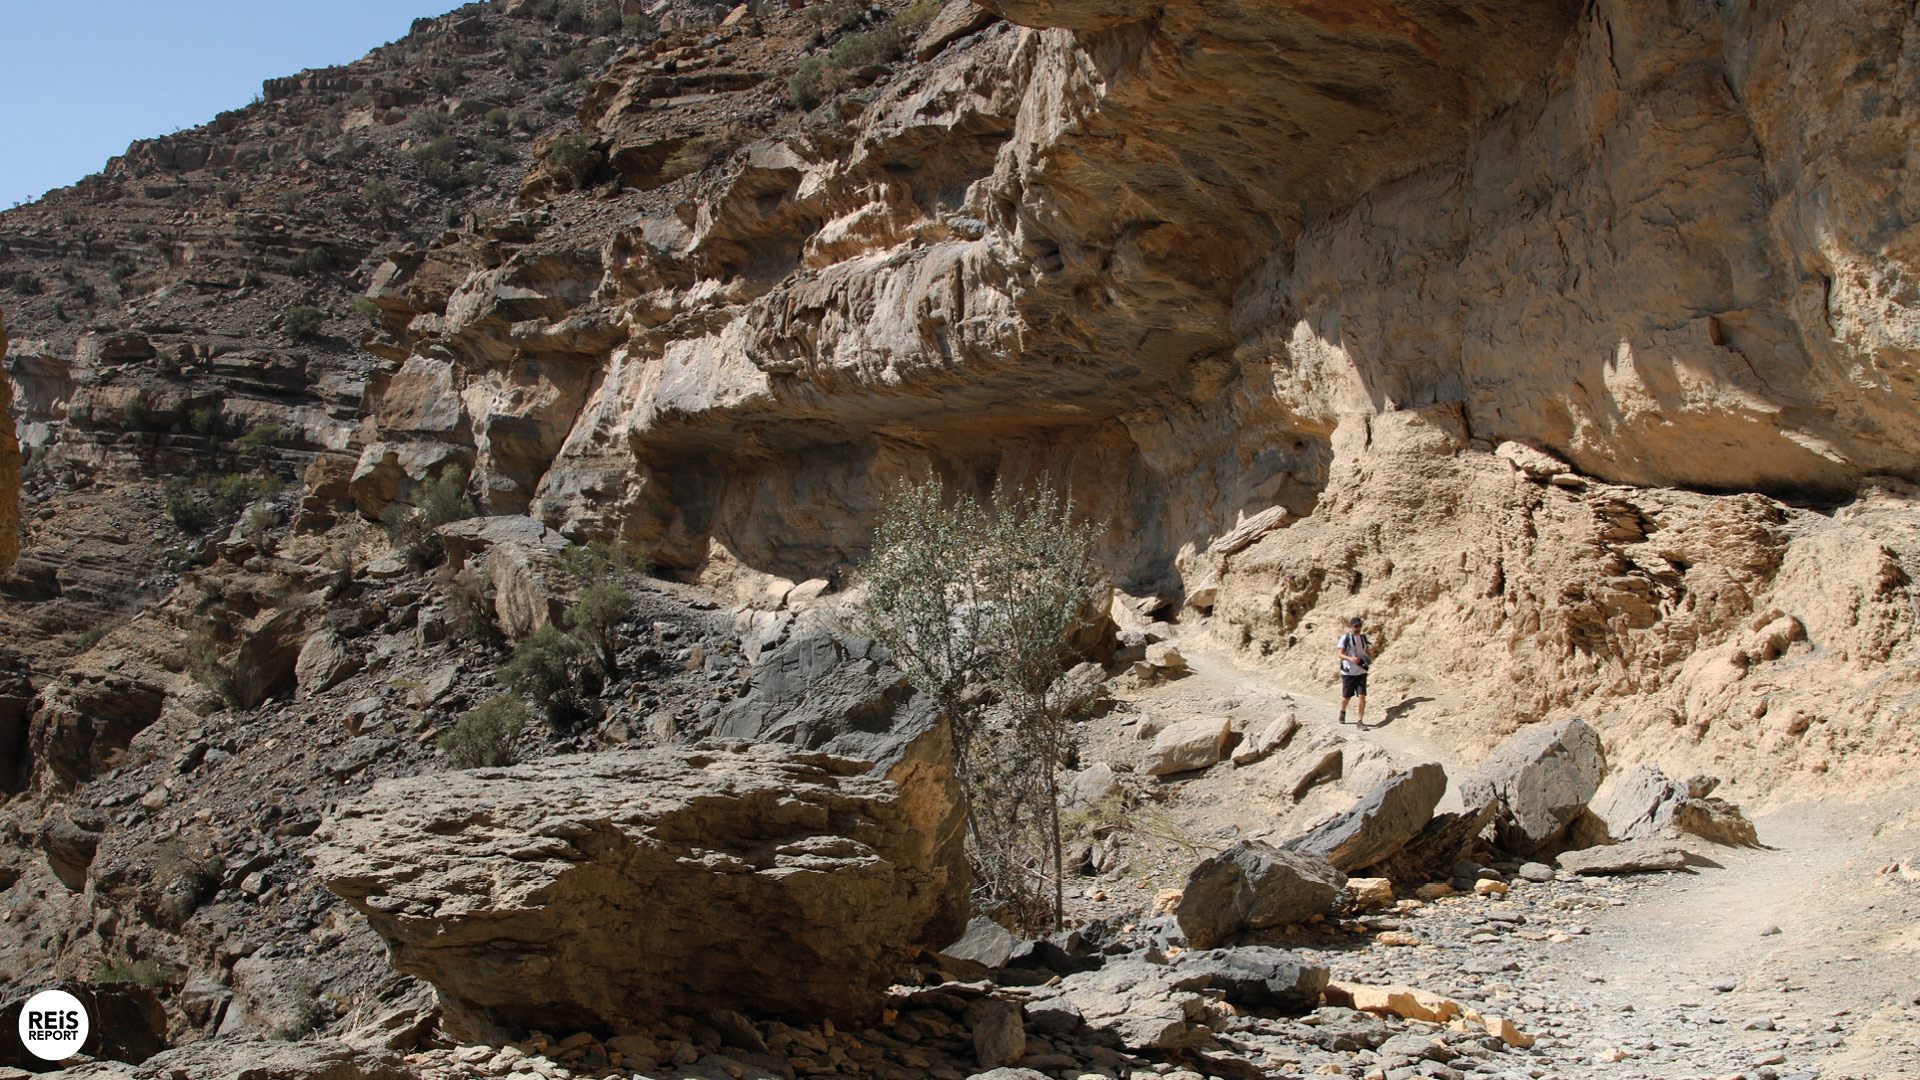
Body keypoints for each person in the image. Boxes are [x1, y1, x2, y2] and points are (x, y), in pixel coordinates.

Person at [1337, 616, 1371, 727]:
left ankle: (1360, 721)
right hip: (1348, 672)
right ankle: (1342, 711)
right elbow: (1340, 654)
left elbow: (1369, 653)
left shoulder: (1364, 639)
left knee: (1362, 696)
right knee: (1346, 697)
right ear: (1351, 626)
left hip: (1360, 672)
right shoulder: (1345, 638)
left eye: (1359, 626)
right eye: (1356, 626)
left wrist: (1366, 660)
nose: (1358, 628)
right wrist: (1351, 659)